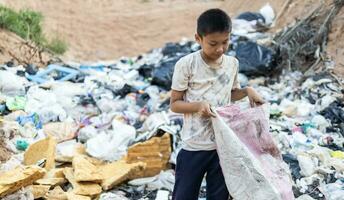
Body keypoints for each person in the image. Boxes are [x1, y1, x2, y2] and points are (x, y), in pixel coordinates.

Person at [170, 8, 265, 200]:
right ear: (198, 38)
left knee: (219, 195)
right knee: (183, 195)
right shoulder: (187, 64)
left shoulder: (232, 64)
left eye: (225, 42)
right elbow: (175, 104)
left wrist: (247, 91)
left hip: (223, 145)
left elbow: (230, 94)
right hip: (194, 145)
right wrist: (198, 106)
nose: (220, 49)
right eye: (213, 43)